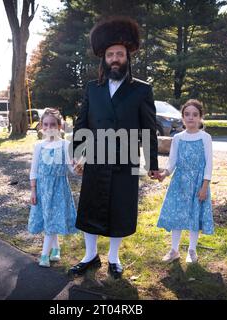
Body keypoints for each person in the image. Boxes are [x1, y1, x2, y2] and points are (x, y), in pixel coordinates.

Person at [70, 17, 160, 279]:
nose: (115, 58)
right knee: (90, 208)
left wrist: (152, 164)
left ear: (127, 57)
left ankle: (114, 257)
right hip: (96, 157)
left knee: (120, 210)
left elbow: (148, 130)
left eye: (120, 53)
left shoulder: (142, 90)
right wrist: (79, 155)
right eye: (111, 54)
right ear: (104, 59)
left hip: (127, 159)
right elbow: (82, 123)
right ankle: (89, 256)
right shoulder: (92, 88)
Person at [157, 99, 214, 264]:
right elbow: (172, 162)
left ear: (200, 117)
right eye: (187, 114)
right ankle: (174, 250)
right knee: (177, 215)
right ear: (182, 118)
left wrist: (204, 186)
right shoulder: (178, 138)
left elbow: (209, 164)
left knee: (194, 216)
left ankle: (192, 250)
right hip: (179, 184)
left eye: (195, 115)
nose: (191, 118)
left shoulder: (205, 138)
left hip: (198, 183)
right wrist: (164, 174)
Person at [28, 108, 78, 268]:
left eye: (52, 125)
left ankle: (44, 256)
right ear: (41, 126)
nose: (49, 128)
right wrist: (33, 190)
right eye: (46, 124)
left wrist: (78, 166)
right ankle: (55, 249)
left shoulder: (65, 145)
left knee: (51, 220)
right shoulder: (39, 146)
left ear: (59, 126)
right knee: (49, 220)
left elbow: (71, 169)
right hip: (43, 189)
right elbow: (34, 170)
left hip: (58, 189)